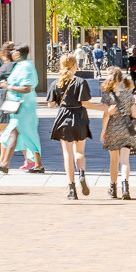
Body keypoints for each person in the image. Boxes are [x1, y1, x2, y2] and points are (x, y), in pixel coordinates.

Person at [48, 52, 94, 199]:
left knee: (67, 154)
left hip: (64, 118)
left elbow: (50, 105)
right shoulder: (80, 82)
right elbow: (85, 102)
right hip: (79, 117)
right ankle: (81, 173)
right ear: (75, 65)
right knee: (79, 152)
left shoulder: (56, 83)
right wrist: (103, 108)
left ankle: (72, 189)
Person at [0, 46, 42, 174]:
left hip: (24, 106)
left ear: (18, 53)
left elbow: (26, 88)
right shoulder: (21, 65)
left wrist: (8, 86)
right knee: (24, 134)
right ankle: (37, 164)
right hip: (18, 106)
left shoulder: (25, 67)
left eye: (14, 51)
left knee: (16, 133)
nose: (11, 53)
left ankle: (5, 164)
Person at [95, 66, 136, 200]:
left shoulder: (107, 96)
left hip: (112, 130)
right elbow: (134, 114)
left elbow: (106, 115)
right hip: (126, 130)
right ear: (121, 79)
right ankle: (125, 188)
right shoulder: (128, 94)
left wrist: (103, 131)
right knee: (125, 161)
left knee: (114, 161)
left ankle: (113, 188)